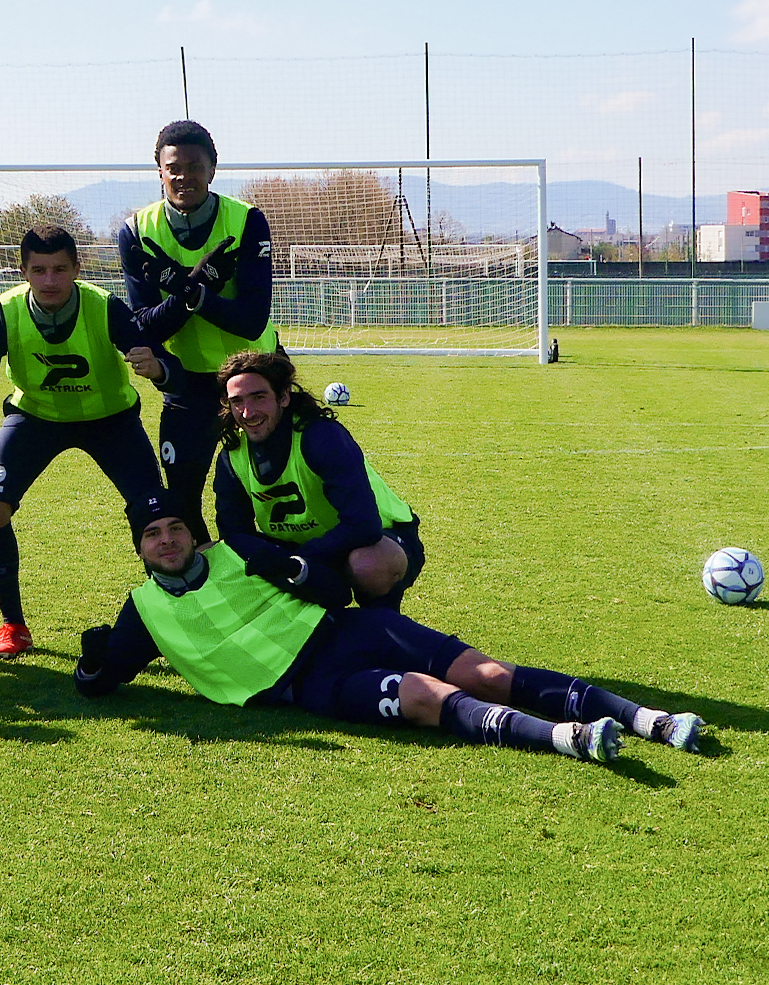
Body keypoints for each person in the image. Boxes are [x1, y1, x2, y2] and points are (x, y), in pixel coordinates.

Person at [74, 492, 708, 764]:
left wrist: (291, 568)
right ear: (140, 548)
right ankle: (568, 739)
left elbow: (327, 590)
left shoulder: (237, 553)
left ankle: (647, 718)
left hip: (350, 631)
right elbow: (102, 683)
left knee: (485, 673)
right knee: (423, 697)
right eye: (153, 535)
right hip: (308, 687)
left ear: (193, 533)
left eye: (175, 529)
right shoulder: (144, 609)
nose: (166, 541)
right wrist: (94, 659)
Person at [0, 224, 179, 658]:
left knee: (156, 514)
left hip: (109, 421)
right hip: (36, 418)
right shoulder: (3, 311)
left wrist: (156, 367)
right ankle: (13, 627)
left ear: (76, 268)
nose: (49, 281)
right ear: (23, 271)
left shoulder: (104, 305)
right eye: (39, 270)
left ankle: (167, 615)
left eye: (59, 269)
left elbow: (156, 358)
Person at [120, 120, 278, 545]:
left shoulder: (247, 222)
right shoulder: (136, 231)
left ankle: (274, 577)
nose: (183, 176)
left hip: (255, 377)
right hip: (187, 386)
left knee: (272, 491)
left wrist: (185, 290)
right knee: (182, 499)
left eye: (194, 166)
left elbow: (250, 320)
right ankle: (206, 588)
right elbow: (144, 327)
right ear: (159, 170)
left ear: (212, 169)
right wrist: (195, 290)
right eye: (174, 167)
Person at [213, 351, 421, 610]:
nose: (247, 412)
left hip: (379, 537)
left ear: (284, 396)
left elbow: (363, 525)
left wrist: (292, 561)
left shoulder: (320, 437)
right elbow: (234, 534)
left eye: (259, 397)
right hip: (302, 546)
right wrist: (284, 562)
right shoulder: (232, 456)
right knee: (211, 557)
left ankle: (385, 626)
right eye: (237, 401)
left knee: (367, 565)